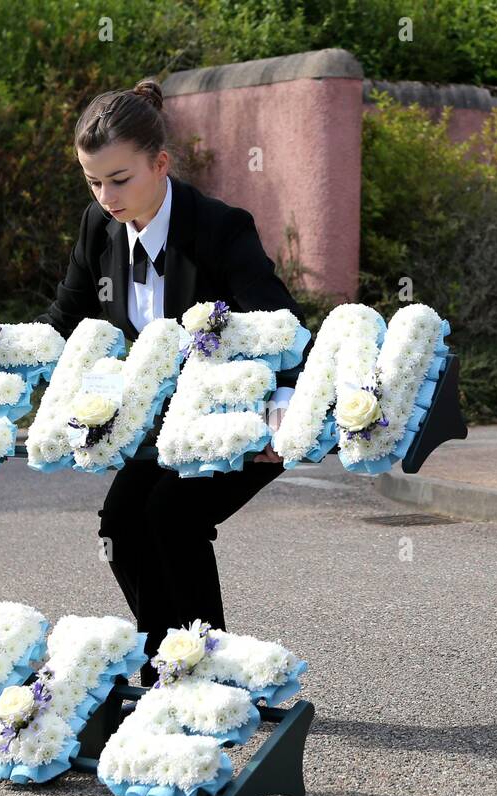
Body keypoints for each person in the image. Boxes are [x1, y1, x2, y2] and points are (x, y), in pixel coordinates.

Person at [31, 78, 307, 686]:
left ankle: (209, 675)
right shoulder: (99, 227)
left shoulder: (219, 228)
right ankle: (168, 670)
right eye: (93, 181)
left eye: (119, 179)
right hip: (166, 421)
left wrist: (284, 406)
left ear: (160, 164)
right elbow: (64, 317)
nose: (106, 197)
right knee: (121, 527)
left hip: (244, 413)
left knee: (172, 517)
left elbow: (282, 324)